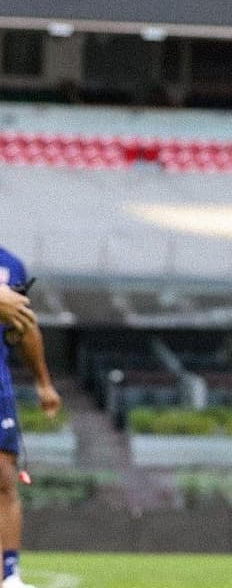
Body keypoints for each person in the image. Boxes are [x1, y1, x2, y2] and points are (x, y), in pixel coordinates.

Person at [0, 247, 60, 588]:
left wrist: (43, 383)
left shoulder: (10, 264)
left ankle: (10, 575)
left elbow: (26, 325)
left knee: (4, 477)